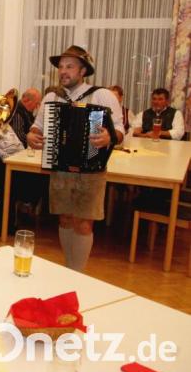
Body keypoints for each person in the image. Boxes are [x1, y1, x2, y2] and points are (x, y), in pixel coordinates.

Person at [26, 45, 124, 272]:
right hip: (60, 167)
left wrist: (110, 137)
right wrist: (31, 135)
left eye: (70, 66)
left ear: (83, 71)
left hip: (91, 167)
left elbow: (120, 129)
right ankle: (68, 269)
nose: (63, 71)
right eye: (61, 67)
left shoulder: (102, 95)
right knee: (65, 219)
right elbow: (37, 126)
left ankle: (76, 272)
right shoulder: (52, 97)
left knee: (83, 223)